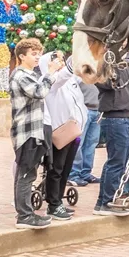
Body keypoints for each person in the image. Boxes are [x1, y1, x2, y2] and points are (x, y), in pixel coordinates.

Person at [10, 38, 62, 230]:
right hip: (27, 132)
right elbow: (39, 92)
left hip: (33, 131)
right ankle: (24, 215)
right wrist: (50, 73)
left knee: (28, 172)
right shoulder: (21, 75)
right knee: (26, 174)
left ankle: (26, 213)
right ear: (22, 56)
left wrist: (50, 74)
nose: (38, 56)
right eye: (33, 53)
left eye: (39, 52)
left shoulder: (29, 74)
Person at [37, 52, 85, 221]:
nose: (60, 63)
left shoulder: (69, 81)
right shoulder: (51, 81)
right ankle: (53, 204)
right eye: (56, 61)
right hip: (59, 132)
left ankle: (58, 201)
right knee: (56, 169)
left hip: (73, 131)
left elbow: (78, 76)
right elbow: (65, 74)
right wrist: (77, 51)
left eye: (61, 60)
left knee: (66, 169)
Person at [93, 64, 129, 216]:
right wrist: (113, 68)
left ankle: (102, 202)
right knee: (116, 162)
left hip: (127, 117)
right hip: (115, 118)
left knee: (119, 161)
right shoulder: (104, 67)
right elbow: (106, 84)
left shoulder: (127, 65)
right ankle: (107, 202)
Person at [68, 81, 101, 187]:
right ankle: (73, 174)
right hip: (83, 109)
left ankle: (85, 173)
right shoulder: (80, 67)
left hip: (98, 110)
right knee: (78, 143)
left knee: (91, 144)